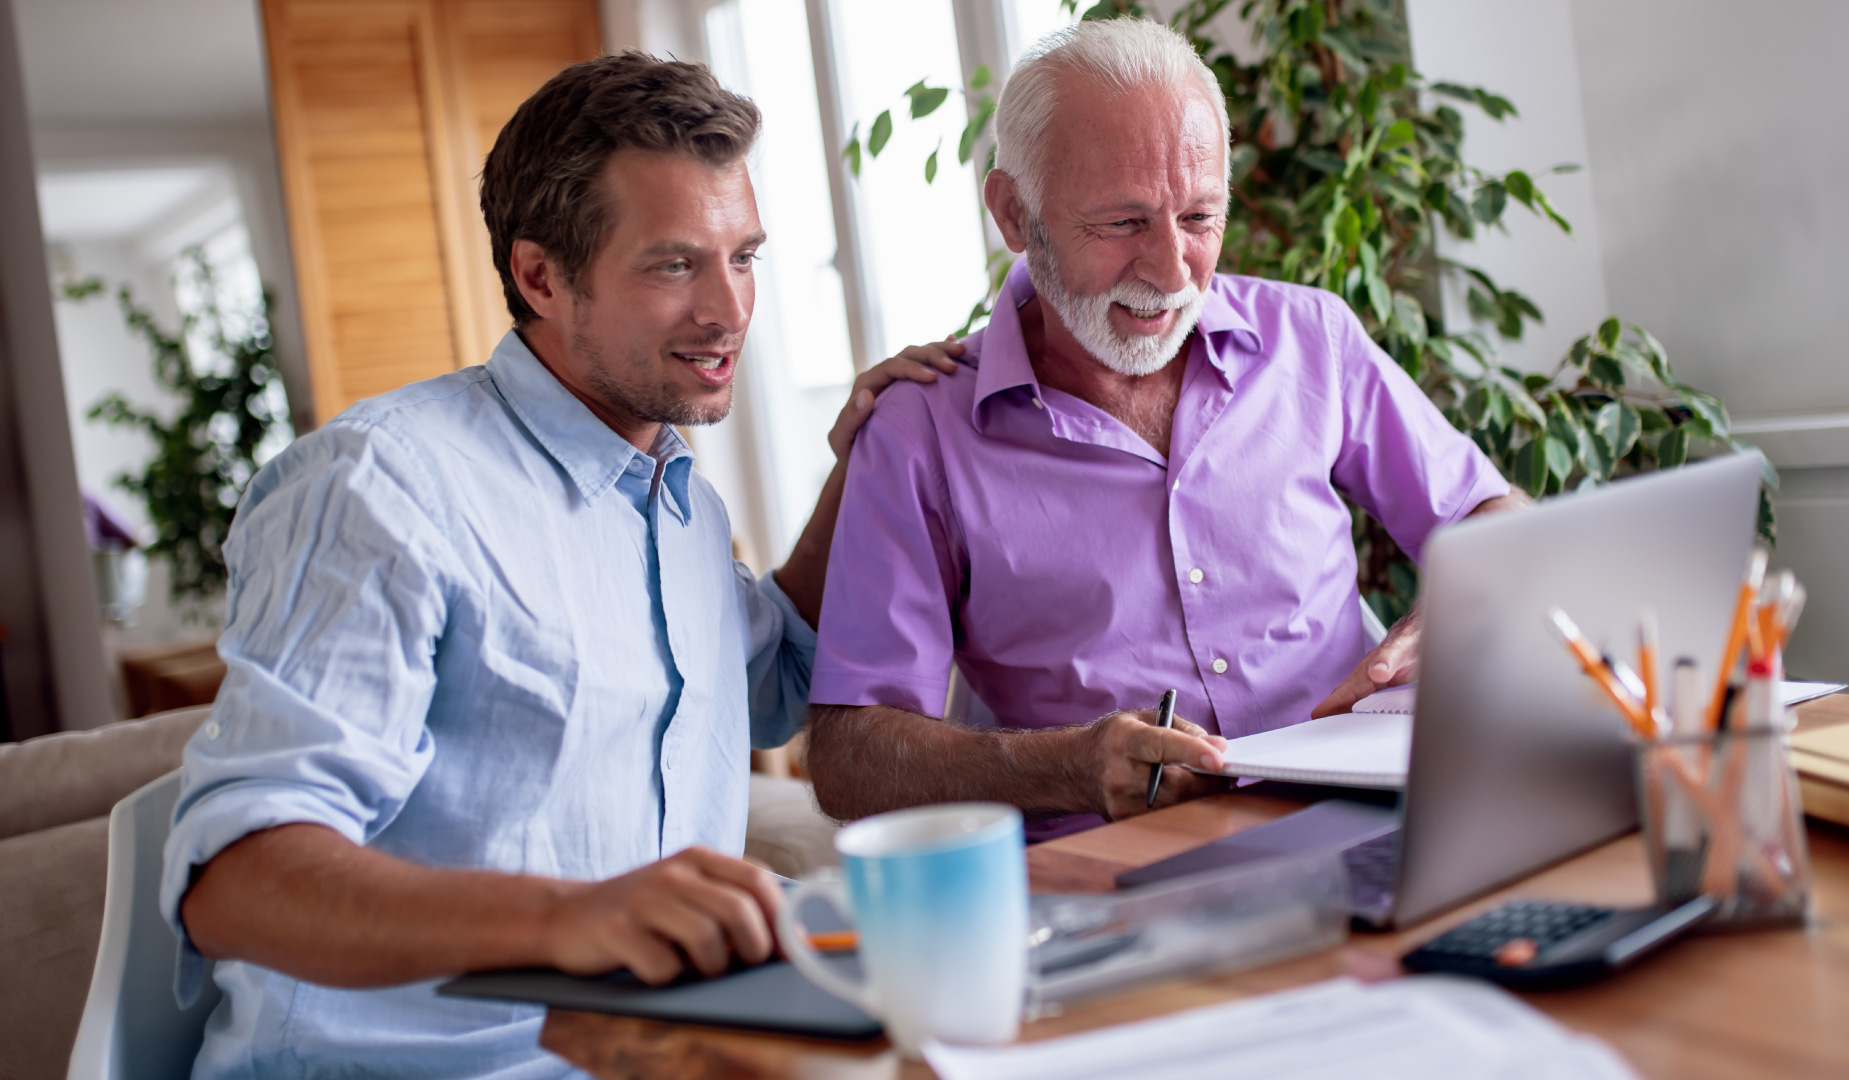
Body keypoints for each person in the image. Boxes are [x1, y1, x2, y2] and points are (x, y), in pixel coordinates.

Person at [161, 53, 953, 1079]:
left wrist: (863, 464)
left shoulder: (673, 497)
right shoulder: (382, 487)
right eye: (675, 265)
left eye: (743, 256)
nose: (730, 308)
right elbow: (237, 877)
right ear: (541, 276)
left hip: (660, 1053)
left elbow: (769, 689)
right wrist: (572, 915)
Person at [805, 18, 1526, 839]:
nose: (1173, 271)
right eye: (1122, 224)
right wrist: (1065, 766)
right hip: (1118, 886)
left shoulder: (1310, 338)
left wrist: (1459, 609)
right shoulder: (918, 430)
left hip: (1373, 828)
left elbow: (1493, 518)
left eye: (1199, 217)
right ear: (1014, 213)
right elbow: (849, 755)